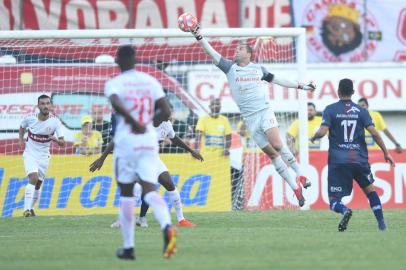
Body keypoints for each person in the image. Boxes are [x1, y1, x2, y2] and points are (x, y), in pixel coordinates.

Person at [189, 22, 315, 206]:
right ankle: (295, 188)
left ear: (248, 53)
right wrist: (198, 36)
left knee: (278, 144)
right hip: (250, 120)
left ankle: (301, 174)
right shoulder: (230, 68)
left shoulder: (258, 70)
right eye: (236, 49)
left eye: (240, 49)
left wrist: (302, 86)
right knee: (272, 155)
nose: (236, 51)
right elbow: (211, 52)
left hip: (264, 112)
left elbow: (278, 80)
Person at [103, 45, 176, 260]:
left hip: (126, 143)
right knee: (150, 190)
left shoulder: (115, 83)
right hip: (148, 140)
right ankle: (167, 226)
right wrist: (147, 121)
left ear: (117, 61)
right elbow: (167, 111)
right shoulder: (150, 81)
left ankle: (128, 247)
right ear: (136, 60)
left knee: (127, 194)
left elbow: (115, 101)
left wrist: (134, 120)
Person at [90, 113, 203, 228]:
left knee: (169, 183)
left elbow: (174, 139)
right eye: (166, 112)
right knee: (136, 189)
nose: (169, 115)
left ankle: (181, 220)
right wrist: (102, 158)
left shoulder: (166, 124)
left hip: (153, 159)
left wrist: (191, 151)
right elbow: (117, 139)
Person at [310, 79, 395, 231]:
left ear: (338, 91)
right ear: (353, 93)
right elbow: (375, 133)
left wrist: (314, 137)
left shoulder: (330, 109)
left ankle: (345, 210)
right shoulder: (361, 111)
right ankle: (382, 224)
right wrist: (386, 153)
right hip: (359, 159)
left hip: (338, 161)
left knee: (334, 199)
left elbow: (322, 131)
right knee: (370, 191)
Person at [19, 94, 65, 217]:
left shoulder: (55, 122)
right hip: (30, 154)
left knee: (38, 184)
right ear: (38, 105)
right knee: (33, 178)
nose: (45, 106)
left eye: (47, 103)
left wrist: (54, 139)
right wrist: (20, 140)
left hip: (44, 157)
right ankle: (26, 210)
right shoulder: (30, 118)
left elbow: (62, 143)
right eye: (43, 104)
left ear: (50, 105)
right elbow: (22, 127)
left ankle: (31, 208)